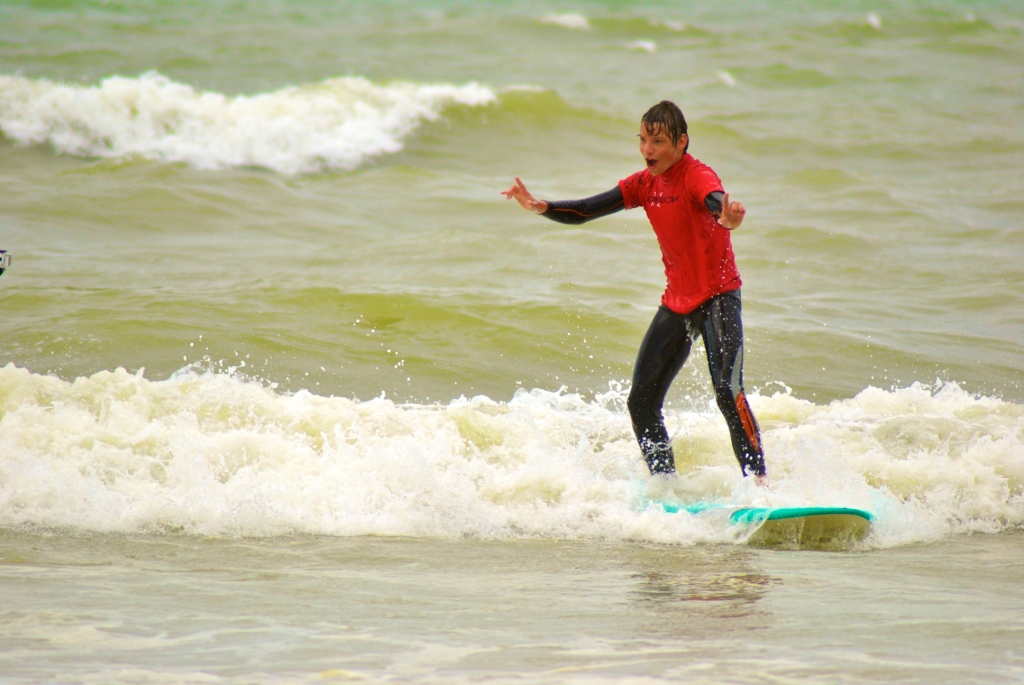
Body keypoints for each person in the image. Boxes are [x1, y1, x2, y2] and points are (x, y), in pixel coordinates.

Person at [502, 100, 766, 483]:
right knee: (641, 402)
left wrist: (725, 217)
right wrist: (542, 207)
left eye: (657, 141)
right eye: (642, 140)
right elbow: (588, 209)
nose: (647, 150)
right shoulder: (645, 184)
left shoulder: (697, 176)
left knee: (728, 390)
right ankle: (665, 485)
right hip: (677, 303)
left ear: (681, 142)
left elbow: (714, 200)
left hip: (719, 297)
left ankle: (759, 483)